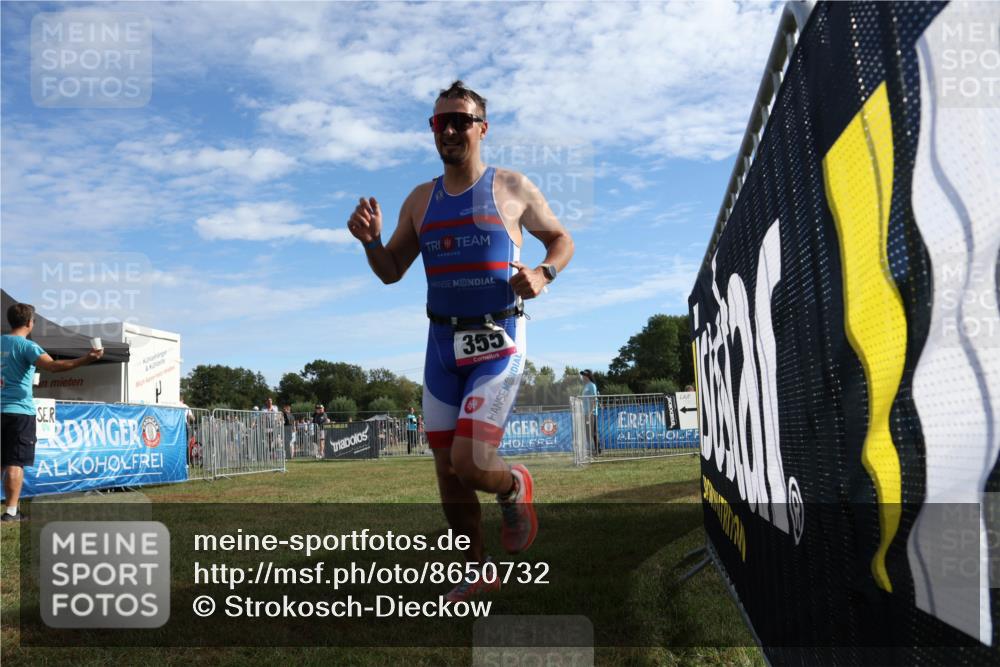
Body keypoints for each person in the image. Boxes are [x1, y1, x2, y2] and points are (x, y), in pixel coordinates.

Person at [347, 80, 574, 601]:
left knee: (470, 464)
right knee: (447, 474)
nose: (449, 130)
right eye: (439, 122)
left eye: (460, 121)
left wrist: (543, 274)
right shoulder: (421, 200)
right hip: (441, 347)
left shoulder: (512, 188)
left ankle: (514, 485)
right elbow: (390, 272)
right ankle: (475, 570)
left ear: (481, 129)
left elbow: (562, 240)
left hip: (500, 337)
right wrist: (372, 242)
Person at [1, 303, 103, 522]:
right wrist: (87, 358)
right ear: (30, 323)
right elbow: (53, 367)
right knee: (14, 462)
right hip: (19, 412)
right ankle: (11, 512)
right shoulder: (27, 346)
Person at [580, 369, 600, 455]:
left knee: (593, 432)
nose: (582, 377)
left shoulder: (592, 385)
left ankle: (597, 449)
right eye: (582, 375)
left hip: (591, 413)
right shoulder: (585, 386)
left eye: (584, 375)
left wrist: (591, 412)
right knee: (588, 433)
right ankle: (592, 450)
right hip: (586, 412)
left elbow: (594, 399)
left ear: (587, 376)